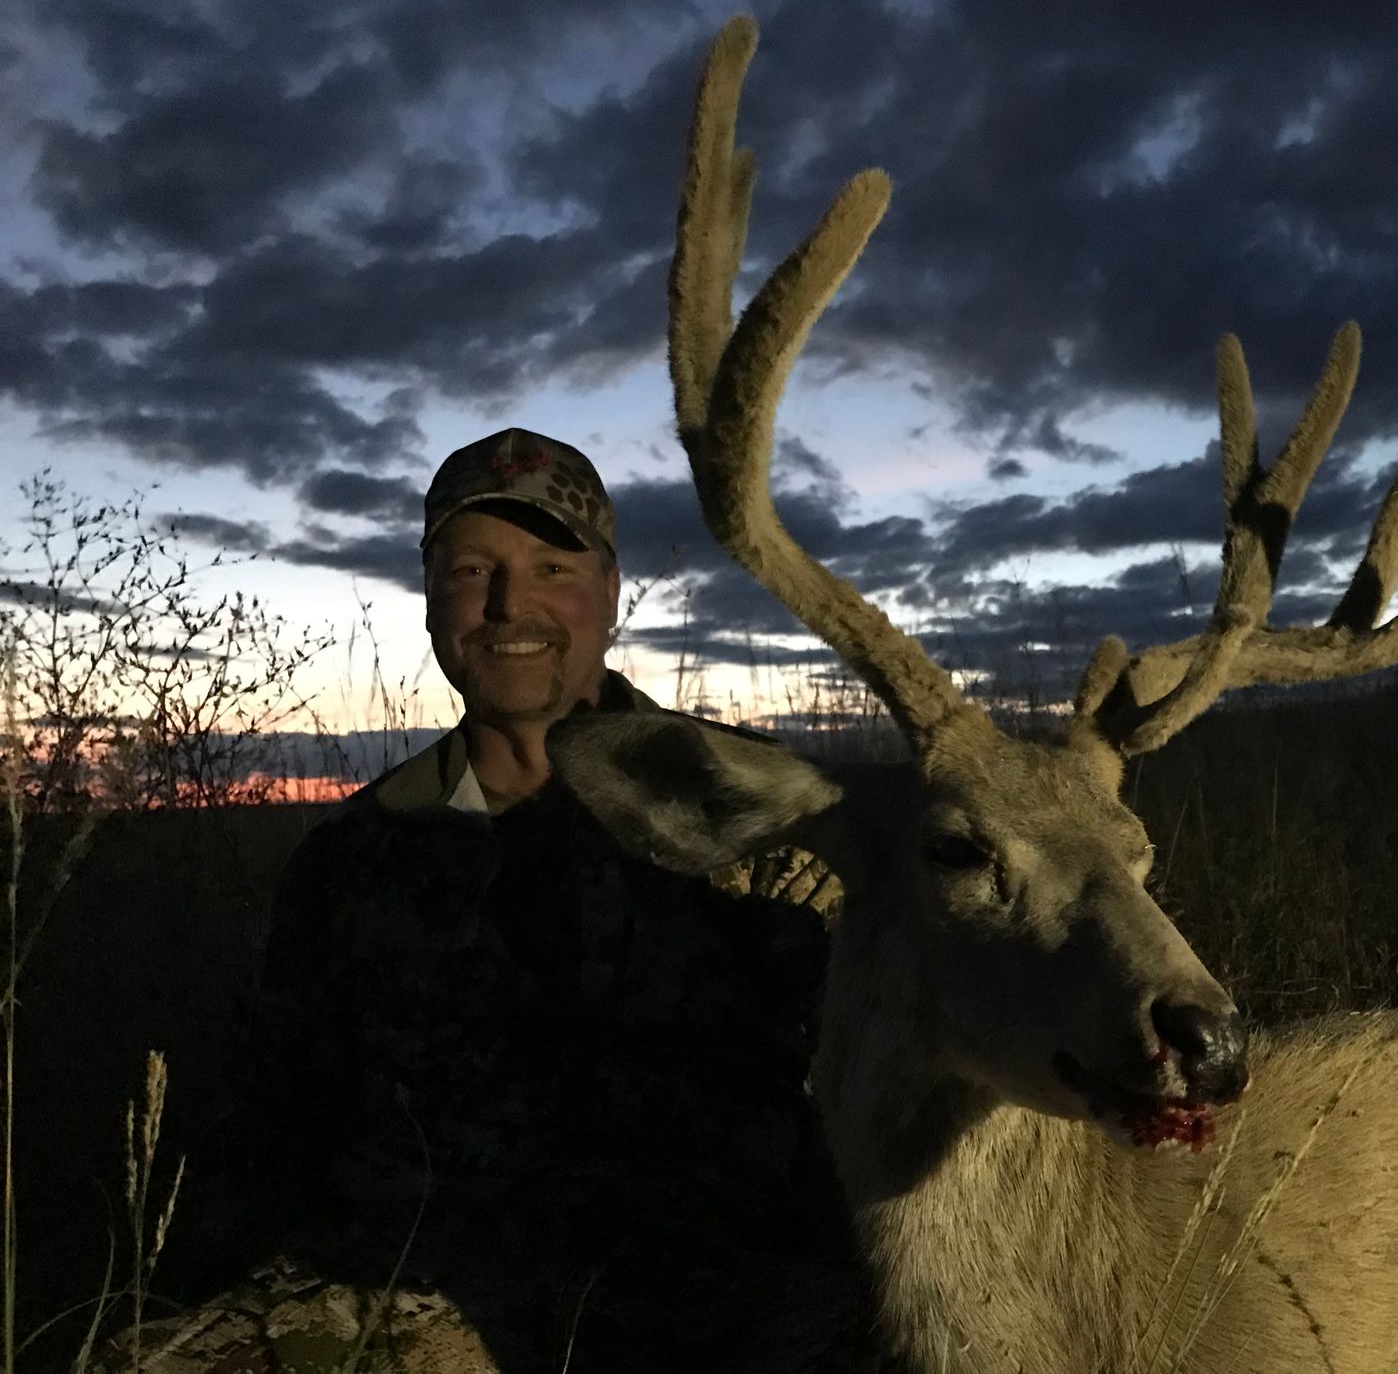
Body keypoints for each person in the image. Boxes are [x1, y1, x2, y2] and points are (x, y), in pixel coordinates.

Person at [94, 430, 871, 1372]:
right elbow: (279, 1127)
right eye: (473, 570)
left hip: (720, 1304)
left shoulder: (752, 809)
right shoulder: (351, 859)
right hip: (410, 1295)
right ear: (432, 601)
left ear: (611, 592)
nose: (512, 605)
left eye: (551, 565)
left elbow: (887, 1090)